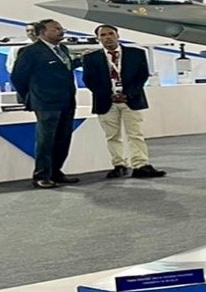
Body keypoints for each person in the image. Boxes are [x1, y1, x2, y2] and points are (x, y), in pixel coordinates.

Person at [82, 24, 165, 179]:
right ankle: (119, 164)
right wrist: (109, 95)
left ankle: (140, 165)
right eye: (103, 35)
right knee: (112, 136)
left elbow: (142, 76)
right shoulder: (90, 58)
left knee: (135, 134)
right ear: (98, 38)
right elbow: (89, 80)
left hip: (131, 100)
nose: (108, 37)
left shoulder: (137, 53)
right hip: (106, 101)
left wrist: (128, 94)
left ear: (117, 35)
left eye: (110, 34)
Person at [9, 19, 80, 189]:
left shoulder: (63, 49)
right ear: (42, 32)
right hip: (45, 102)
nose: (61, 31)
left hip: (67, 100)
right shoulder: (30, 51)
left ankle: (56, 171)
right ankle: (41, 175)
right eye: (56, 29)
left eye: (61, 28)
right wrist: (31, 96)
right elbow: (18, 77)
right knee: (46, 140)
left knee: (63, 139)